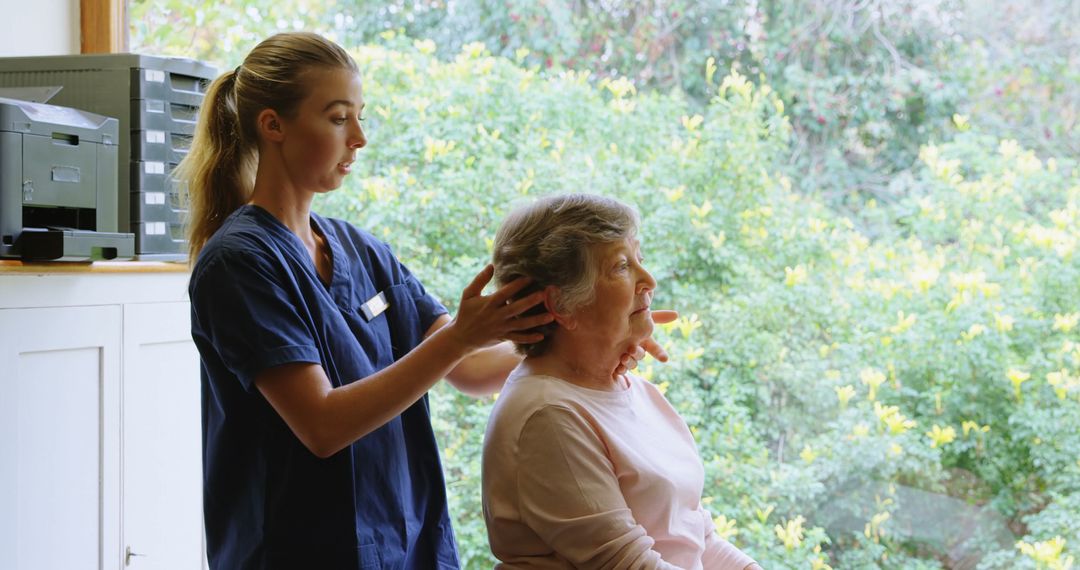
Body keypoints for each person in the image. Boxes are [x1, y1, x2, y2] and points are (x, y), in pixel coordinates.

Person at [179, 33, 672, 570]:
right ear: (272, 125)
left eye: (360, 116)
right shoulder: (239, 263)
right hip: (295, 550)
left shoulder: (361, 251)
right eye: (339, 118)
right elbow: (321, 426)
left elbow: (474, 371)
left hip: (408, 543)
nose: (360, 138)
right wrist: (461, 336)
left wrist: (599, 336)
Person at [483, 194, 761, 570]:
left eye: (639, 259)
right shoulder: (548, 415)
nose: (648, 281)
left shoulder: (636, 391)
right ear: (559, 305)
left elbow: (695, 536)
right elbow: (627, 564)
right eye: (621, 266)